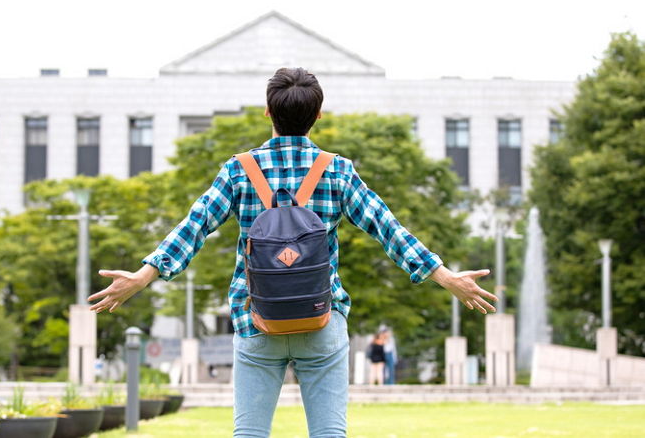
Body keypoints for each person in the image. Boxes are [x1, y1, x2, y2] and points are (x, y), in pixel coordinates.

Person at [88, 67, 498, 438]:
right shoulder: (336, 170)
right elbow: (386, 227)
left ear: (268, 112)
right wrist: (445, 276)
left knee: (249, 434)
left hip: (256, 320)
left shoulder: (238, 169)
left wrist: (144, 275)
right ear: (318, 115)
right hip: (321, 320)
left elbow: (194, 227)